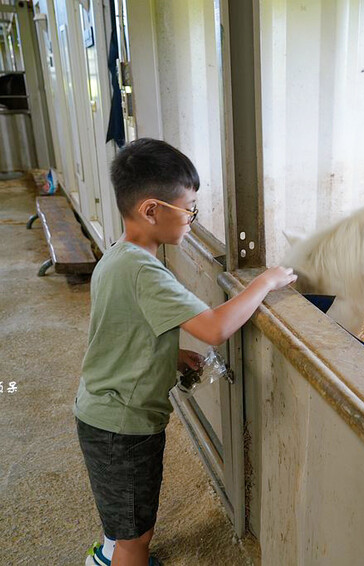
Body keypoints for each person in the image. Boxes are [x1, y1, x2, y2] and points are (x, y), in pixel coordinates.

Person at [74, 138, 296, 566]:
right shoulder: (144, 271)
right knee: (135, 538)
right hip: (123, 425)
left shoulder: (118, 257)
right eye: (189, 209)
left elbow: (120, 331)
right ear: (151, 210)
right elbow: (215, 328)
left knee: (127, 515)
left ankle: (110, 551)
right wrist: (263, 283)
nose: (193, 219)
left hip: (105, 413)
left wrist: (171, 356)